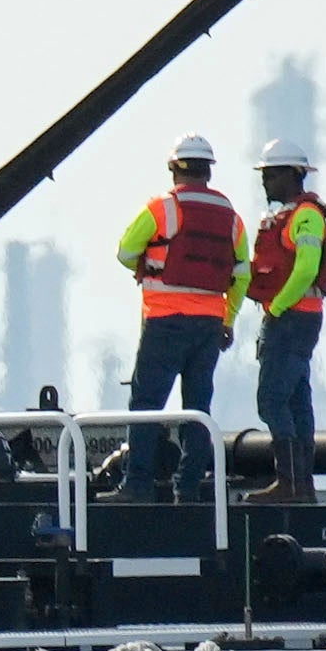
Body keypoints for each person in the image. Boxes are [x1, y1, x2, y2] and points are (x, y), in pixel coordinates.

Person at [110, 133, 243, 504]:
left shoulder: (161, 209)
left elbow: (124, 252)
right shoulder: (230, 216)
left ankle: (137, 486)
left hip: (164, 321)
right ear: (209, 172)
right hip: (209, 326)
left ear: (174, 169)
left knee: (147, 405)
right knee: (197, 408)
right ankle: (188, 489)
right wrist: (227, 319)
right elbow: (243, 272)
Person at [248, 139, 326, 500]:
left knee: (270, 400)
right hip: (298, 321)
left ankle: (288, 482)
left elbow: (306, 269)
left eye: (270, 175)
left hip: (292, 321)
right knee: (297, 401)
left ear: (291, 175)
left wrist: (277, 307)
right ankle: (303, 485)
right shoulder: (289, 216)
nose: (264, 182)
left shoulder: (306, 216)